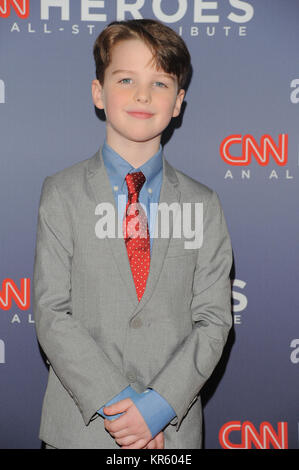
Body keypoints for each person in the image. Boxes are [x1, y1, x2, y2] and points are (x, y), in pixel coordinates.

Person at [33, 19, 232, 449]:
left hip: (171, 437)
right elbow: (51, 313)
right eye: (126, 79)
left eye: (160, 83)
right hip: (80, 433)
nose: (143, 95)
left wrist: (157, 408)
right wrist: (124, 407)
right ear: (98, 93)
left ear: (178, 102)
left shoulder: (205, 204)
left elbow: (214, 321)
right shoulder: (61, 194)